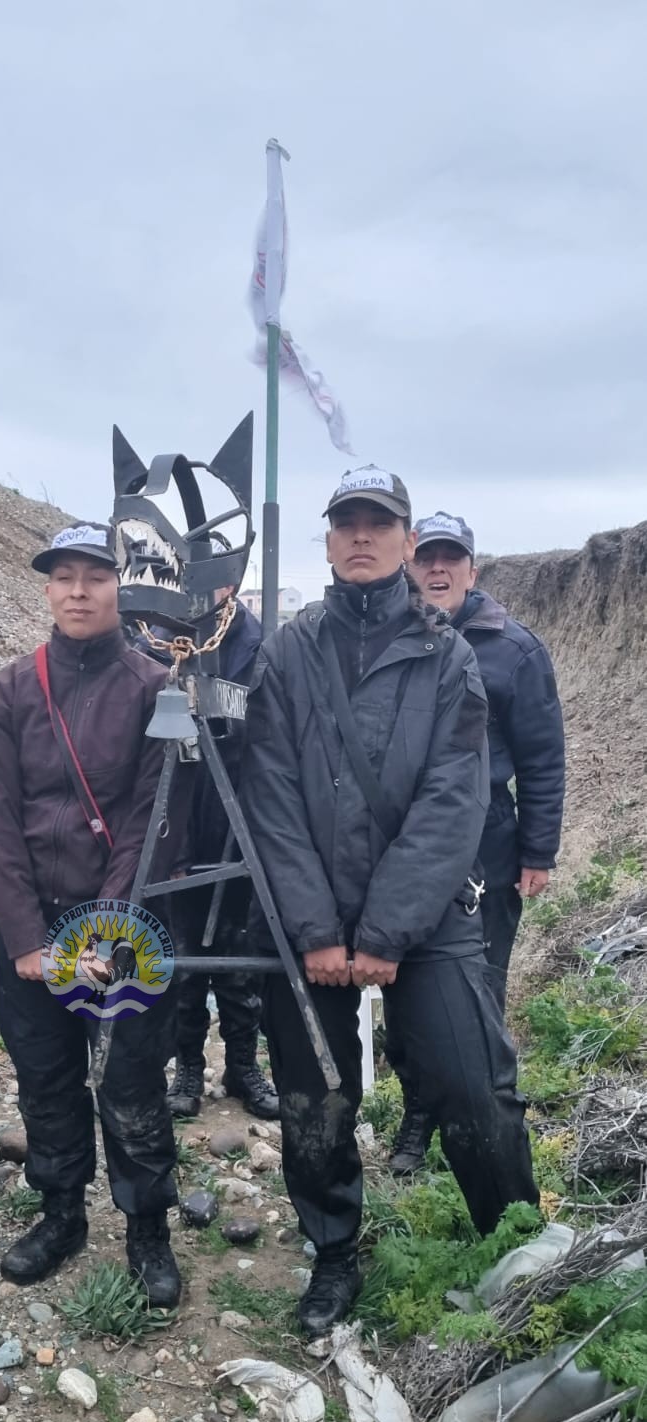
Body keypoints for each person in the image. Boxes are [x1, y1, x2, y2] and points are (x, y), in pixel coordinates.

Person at [239, 466, 540, 1336]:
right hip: (313, 927)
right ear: (329, 542)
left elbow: (456, 804)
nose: (362, 537)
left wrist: (386, 931)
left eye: (380, 523)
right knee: (314, 1099)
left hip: (430, 917)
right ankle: (334, 1255)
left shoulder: (450, 661)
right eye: (347, 523)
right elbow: (272, 797)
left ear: (409, 542)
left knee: (475, 1084)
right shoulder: (288, 654)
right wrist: (318, 931)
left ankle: (514, 1250)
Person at [0, 523, 183, 1307]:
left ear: (119, 585)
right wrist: (28, 941)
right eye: (64, 577)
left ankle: (148, 1228)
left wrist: (109, 927)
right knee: (47, 1080)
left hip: (125, 927)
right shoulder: (7, 694)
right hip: (31, 932)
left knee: (130, 1082)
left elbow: (150, 820)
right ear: (48, 589)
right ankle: (61, 1214)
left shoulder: (157, 688)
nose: (79, 591)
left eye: (94, 576)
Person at [383, 510, 565, 1174]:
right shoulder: (390, 639)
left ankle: (485, 1132)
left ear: (471, 570)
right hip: (403, 848)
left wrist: (537, 853)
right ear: (409, 564)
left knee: (478, 995)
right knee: (403, 991)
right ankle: (416, 1114)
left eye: (450, 558)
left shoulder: (514, 650)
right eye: (427, 556)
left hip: (486, 846)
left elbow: (544, 758)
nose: (437, 568)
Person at [134, 575, 278, 1121]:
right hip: (178, 816)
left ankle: (243, 1065)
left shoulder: (254, 642)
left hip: (240, 814)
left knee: (242, 957)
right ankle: (188, 1068)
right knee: (182, 955)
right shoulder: (152, 639)